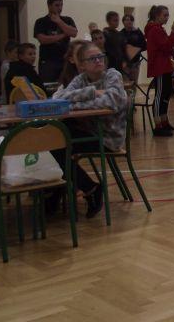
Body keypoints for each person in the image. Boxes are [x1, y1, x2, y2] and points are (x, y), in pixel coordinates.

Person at [52, 41, 128, 218]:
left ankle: (89, 188)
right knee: (55, 138)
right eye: (92, 59)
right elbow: (59, 97)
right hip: (92, 131)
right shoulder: (81, 79)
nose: (98, 61)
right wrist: (92, 92)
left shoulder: (112, 75)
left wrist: (75, 105)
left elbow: (110, 102)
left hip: (109, 138)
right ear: (82, 65)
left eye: (100, 57)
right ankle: (84, 188)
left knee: (58, 144)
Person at [144, 5, 174, 137]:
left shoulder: (159, 29)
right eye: (165, 15)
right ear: (157, 16)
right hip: (159, 67)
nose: (167, 17)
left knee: (166, 93)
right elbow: (166, 46)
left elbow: (167, 47)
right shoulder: (155, 30)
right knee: (160, 95)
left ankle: (164, 121)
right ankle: (158, 125)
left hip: (165, 65)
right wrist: (173, 33)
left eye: (168, 15)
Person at [33, 0, 78, 82]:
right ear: (49, 6)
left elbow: (73, 33)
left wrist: (59, 22)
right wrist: (64, 34)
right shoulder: (41, 21)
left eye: (61, 5)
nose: (60, 8)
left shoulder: (67, 20)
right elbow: (43, 39)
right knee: (48, 85)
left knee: (67, 84)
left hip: (65, 59)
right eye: (57, 5)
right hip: (48, 61)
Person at [120, 13, 146, 83]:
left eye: (131, 20)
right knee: (125, 83)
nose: (129, 21)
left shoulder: (138, 32)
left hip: (135, 62)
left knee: (134, 83)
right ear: (123, 22)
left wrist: (134, 49)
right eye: (127, 20)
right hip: (125, 63)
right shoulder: (121, 34)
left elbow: (144, 45)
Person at [103, 11, 127, 76]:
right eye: (114, 20)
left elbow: (123, 49)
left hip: (119, 63)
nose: (117, 22)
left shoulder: (119, 34)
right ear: (108, 21)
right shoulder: (105, 34)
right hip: (110, 63)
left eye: (117, 20)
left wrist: (124, 60)